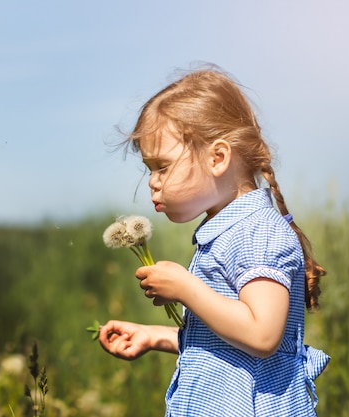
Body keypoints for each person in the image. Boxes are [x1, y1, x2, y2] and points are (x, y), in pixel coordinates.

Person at [98, 65, 330, 416]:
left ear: (217, 158)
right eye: (149, 170)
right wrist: (154, 336)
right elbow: (227, 344)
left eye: (162, 166)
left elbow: (262, 335)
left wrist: (186, 289)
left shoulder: (258, 232)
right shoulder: (228, 231)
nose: (152, 182)